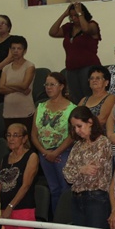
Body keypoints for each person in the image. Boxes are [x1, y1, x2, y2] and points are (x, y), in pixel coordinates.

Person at [31, 72, 76, 218]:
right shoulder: (41, 106)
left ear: (61, 86)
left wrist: (56, 152)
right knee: (53, 189)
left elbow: (72, 134)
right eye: (46, 84)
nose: (48, 88)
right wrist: (44, 151)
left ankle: (67, 223)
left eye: (52, 84)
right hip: (44, 153)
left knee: (64, 188)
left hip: (63, 152)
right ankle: (57, 223)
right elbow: (34, 134)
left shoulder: (71, 108)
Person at [0, 35, 35, 133]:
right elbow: (0, 88)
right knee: (11, 142)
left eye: (19, 48)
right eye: (13, 48)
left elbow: (24, 85)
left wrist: (9, 84)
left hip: (25, 111)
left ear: (24, 50)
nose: (16, 51)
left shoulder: (29, 66)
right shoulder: (6, 68)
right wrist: (20, 89)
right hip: (9, 112)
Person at [48, 1, 101, 70]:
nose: (73, 18)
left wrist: (79, 13)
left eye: (76, 15)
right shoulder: (69, 27)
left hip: (89, 67)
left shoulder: (92, 25)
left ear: (83, 14)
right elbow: (52, 32)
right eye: (71, 16)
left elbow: (85, 29)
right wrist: (64, 14)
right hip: (71, 68)